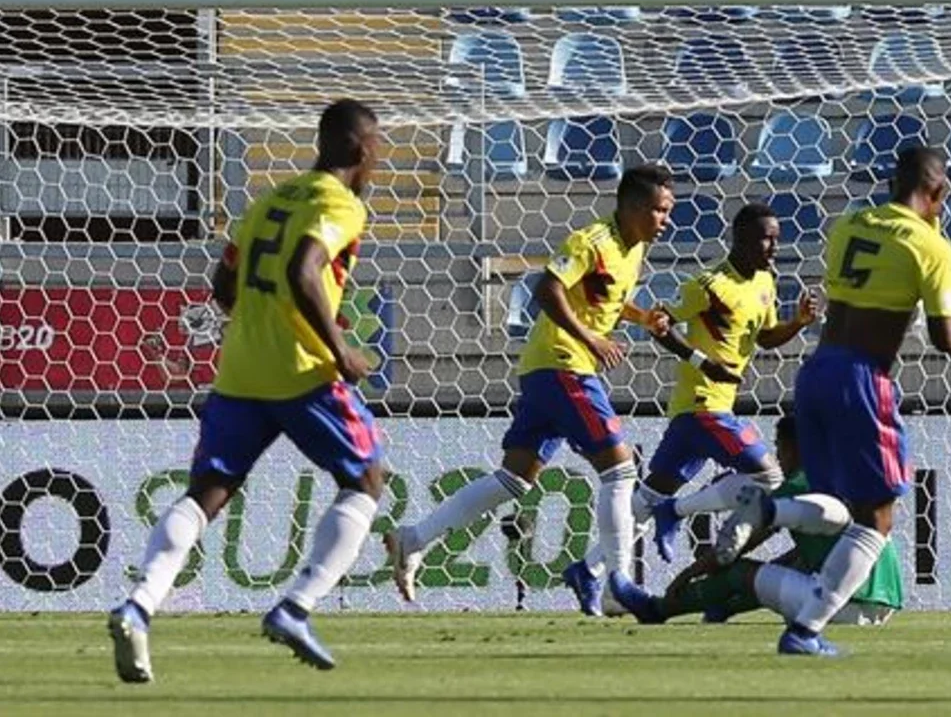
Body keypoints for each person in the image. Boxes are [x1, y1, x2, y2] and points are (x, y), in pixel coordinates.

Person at [108, 100, 386, 682]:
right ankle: (296, 605)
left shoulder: (269, 199)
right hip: (304, 372)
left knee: (206, 493)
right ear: (363, 151)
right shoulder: (342, 205)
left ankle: (139, 604)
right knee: (365, 482)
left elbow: (224, 281)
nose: (378, 160)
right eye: (378, 150)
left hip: (238, 372)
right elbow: (304, 269)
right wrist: (341, 350)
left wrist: (256, 321)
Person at [714, 145, 951, 655]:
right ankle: (804, 631)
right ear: (939, 193)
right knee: (878, 518)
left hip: (817, 371)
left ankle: (772, 512)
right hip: (862, 379)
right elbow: (944, 338)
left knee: (840, 507)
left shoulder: (849, 224)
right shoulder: (933, 249)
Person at [386, 164, 674, 615]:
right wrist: (591, 339)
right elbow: (546, 289)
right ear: (634, 207)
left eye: (668, 211)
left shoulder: (632, 250)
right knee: (619, 471)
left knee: (515, 479)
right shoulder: (591, 241)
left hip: (547, 369)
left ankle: (413, 539)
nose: (665, 220)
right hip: (564, 364)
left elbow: (602, 300)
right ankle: (619, 586)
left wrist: (641, 319)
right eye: (659, 210)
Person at [628, 202, 817, 563]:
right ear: (741, 240)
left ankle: (593, 571)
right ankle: (678, 510)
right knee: (769, 478)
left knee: (647, 498)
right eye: (766, 239)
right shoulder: (709, 285)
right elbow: (658, 324)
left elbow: (764, 337)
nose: (775, 248)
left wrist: (798, 322)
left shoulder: (765, 282)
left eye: (777, 239)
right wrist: (702, 362)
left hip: (704, 410)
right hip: (704, 404)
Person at [614, 414, 903, 626]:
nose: (778, 456)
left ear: (795, 448)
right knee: (791, 564)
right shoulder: (845, 476)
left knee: (739, 572)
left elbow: (737, 545)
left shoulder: (799, 483)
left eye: (779, 447)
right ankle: (721, 608)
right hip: (884, 604)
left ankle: (656, 609)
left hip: (842, 607)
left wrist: (688, 574)